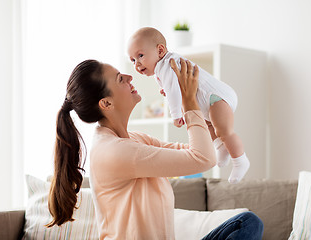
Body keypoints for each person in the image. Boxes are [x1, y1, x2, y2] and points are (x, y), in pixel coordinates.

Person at [47, 58, 264, 239]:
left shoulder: (133, 140)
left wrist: (208, 113)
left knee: (246, 224)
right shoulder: (113, 151)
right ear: (106, 104)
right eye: (120, 79)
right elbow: (202, 158)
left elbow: (194, 151)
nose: (130, 77)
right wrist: (189, 104)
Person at [127, 27, 250, 184]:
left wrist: (176, 114)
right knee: (209, 127)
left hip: (216, 97)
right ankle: (222, 148)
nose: (137, 64)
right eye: (132, 60)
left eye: (140, 56)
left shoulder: (166, 65)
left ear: (160, 50)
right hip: (208, 103)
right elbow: (173, 88)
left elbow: (173, 91)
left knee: (223, 131)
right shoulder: (162, 68)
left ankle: (240, 160)